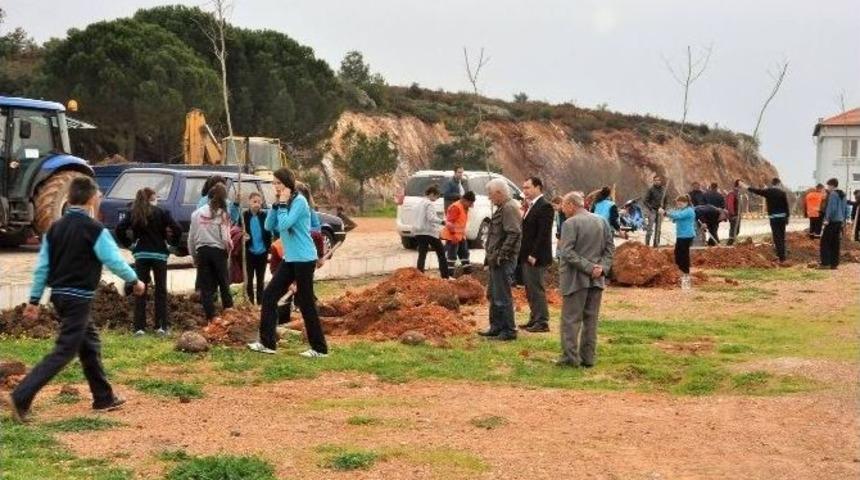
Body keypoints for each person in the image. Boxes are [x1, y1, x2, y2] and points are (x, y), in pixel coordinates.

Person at [3, 177, 145, 422]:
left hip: (59, 297)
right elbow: (113, 260)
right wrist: (135, 280)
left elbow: (42, 268)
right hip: (79, 297)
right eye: (98, 196)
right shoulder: (94, 229)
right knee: (65, 351)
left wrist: (34, 301)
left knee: (89, 344)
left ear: (69, 198)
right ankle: (21, 396)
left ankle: (103, 397)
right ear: (92, 199)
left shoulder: (54, 229)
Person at [250, 168, 328, 357]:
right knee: (269, 295)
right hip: (290, 258)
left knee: (306, 302)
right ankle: (267, 343)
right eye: (273, 183)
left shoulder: (300, 202)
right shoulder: (282, 203)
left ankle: (319, 349)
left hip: (304, 258)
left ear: (287, 184)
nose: (275, 187)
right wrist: (276, 205)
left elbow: (285, 225)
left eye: (278, 183)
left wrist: (283, 204)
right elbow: (269, 226)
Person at [556, 191, 614, 368]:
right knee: (591, 320)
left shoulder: (570, 223)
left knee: (571, 320)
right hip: (597, 280)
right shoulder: (601, 221)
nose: (562, 209)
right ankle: (588, 358)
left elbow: (566, 252)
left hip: (576, 280)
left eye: (564, 205)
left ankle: (570, 358)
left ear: (572, 205)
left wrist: (589, 268)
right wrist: (601, 268)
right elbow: (610, 248)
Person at [115, 187, 182, 335]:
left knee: (140, 289)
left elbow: (119, 228)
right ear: (152, 198)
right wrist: (172, 244)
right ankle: (161, 327)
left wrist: (129, 244)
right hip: (159, 255)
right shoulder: (163, 213)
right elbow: (177, 228)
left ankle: (139, 327)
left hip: (141, 255)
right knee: (160, 290)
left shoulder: (135, 212)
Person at [479, 178, 522, 341]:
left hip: (503, 261)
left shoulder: (509, 208)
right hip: (496, 259)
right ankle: (496, 327)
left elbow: (514, 233)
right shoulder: (503, 207)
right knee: (493, 294)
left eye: (490, 194)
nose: (489, 198)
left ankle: (509, 330)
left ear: (498, 193)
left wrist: (501, 255)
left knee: (502, 296)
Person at [188, 183, 234, 322]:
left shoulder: (197, 214)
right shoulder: (223, 214)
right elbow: (226, 238)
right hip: (219, 252)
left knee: (206, 287)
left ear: (208, 197)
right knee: (224, 283)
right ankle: (229, 311)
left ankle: (211, 316)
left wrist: (194, 256)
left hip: (202, 251)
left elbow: (191, 238)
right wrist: (229, 251)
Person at [517, 177, 555, 333]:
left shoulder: (545, 206)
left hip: (536, 256)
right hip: (526, 254)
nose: (525, 191)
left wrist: (534, 254)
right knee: (529, 288)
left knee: (536, 288)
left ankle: (542, 321)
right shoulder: (530, 206)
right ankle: (534, 318)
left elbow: (543, 233)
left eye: (528, 188)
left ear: (538, 188)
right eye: (524, 188)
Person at [740, 178, 789, 262]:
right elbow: (786, 206)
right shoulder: (782, 193)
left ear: (772, 183)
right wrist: (787, 217)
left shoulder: (768, 191)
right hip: (782, 218)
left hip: (773, 218)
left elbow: (756, 191)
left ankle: (781, 257)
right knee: (782, 236)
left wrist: (745, 186)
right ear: (779, 184)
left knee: (777, 237)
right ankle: (782, 254)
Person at [412, 185, 451, 279]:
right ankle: (445, 276)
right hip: (429, 232)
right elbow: (431, 218)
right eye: (436, 197)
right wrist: (443, 222)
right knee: (441, 253)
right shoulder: (429, 203)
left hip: (419, 232)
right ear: (432, 194)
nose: (436, 199)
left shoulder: (419, 203)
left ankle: (419, 275)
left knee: (422, 254)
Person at [242, 192, 272, 305]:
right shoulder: (244, 216)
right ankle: (250, 301)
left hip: (262, 252)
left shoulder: (264, 216)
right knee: (249, 279)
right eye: (254, 202)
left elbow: (268, 232)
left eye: (259, 202)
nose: (257, 204)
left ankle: (260, 302)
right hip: (250, 252)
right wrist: (243, 236)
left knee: (260, 279)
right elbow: (238, 230)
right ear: (249, 202)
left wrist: (268, 248)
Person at [663, 195, 696, 290]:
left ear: (685, 202)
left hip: (687, 235)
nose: (678, 205)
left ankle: (685, 273)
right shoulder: (681, 210)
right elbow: (674, 217)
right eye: (677, 203)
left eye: (680, 203)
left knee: (683, 255)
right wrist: (667, 213)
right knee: (677, 253)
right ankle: (680, 270)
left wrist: (665, 213)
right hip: (681, 235)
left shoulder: (689, 210)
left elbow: (678, 216)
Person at [441, 190, 475, 273]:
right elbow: (449, 223)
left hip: (460, 236)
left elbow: (460, 223)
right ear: (465, 200)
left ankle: (467, 272)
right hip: (453, 236)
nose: (471, 206)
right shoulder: (456, 207)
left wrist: (461, 235)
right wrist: (453, 235)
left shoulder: (464, 207)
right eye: (470, 203)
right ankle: (449, 275)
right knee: (451, 257)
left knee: (464, 254)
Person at [819, 178, 848, 269]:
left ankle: (825, 263)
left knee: (825, 242)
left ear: (832, 185)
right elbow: (845, 209)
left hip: (832, 221)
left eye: (828, 186)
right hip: (839, 222)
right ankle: (834, 264)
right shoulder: (843, 194)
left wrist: (827, 219)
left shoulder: (833, 194)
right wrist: (843, 220)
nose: (828, 188)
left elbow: (831, 208)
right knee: (835, 243)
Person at [642, 175, 667, 247]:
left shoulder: (663, 190)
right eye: (655, 180)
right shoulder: (651, 189)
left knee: (658, 229)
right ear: (653, 181)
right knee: (650, 228)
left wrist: (664, 209)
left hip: (660, 211)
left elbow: (666, 201)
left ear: (660, 181)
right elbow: (645, 201)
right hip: (652, 211)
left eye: (658, 180)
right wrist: (651, 208)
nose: (657, 181)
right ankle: (647, 245)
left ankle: (656, 244)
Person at [724, 180, 742, 245]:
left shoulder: (738, 193)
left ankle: (732, 243)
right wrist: (733, 214)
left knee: (736, 230)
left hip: (738, 215)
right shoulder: (732, 193)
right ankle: (729, 244)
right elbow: (730, 205)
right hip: (734, 216)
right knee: (733, 230)